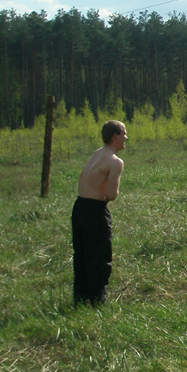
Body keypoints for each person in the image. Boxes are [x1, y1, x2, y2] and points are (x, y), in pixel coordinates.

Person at [72, 120, 127, 306]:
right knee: (99, 256)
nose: (126, 137)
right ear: (115, 136)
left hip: (79, 207)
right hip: (94, 210)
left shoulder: (97, 153)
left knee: (81, 255)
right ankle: (97, 302)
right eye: (124, 133)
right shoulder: (115, 162)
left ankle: (80, 299)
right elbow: (111, 195)